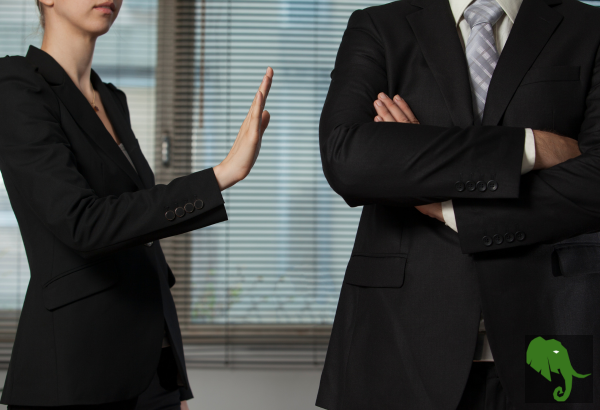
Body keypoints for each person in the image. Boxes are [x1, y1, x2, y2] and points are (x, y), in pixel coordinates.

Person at [316, 0, 600, 408]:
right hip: (400, 333)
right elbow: (348, 159)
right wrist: (529, 146)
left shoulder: (590, 26)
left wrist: (442, 197)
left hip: (555, 326)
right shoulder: (380, 26)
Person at [0, 0, 273, 408]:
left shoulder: (112, 99)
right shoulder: (17, 86)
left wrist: (172, 374)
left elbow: (140, 233)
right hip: (77, 372)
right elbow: (82, 224)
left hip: (152, 368)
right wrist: (221, 175)